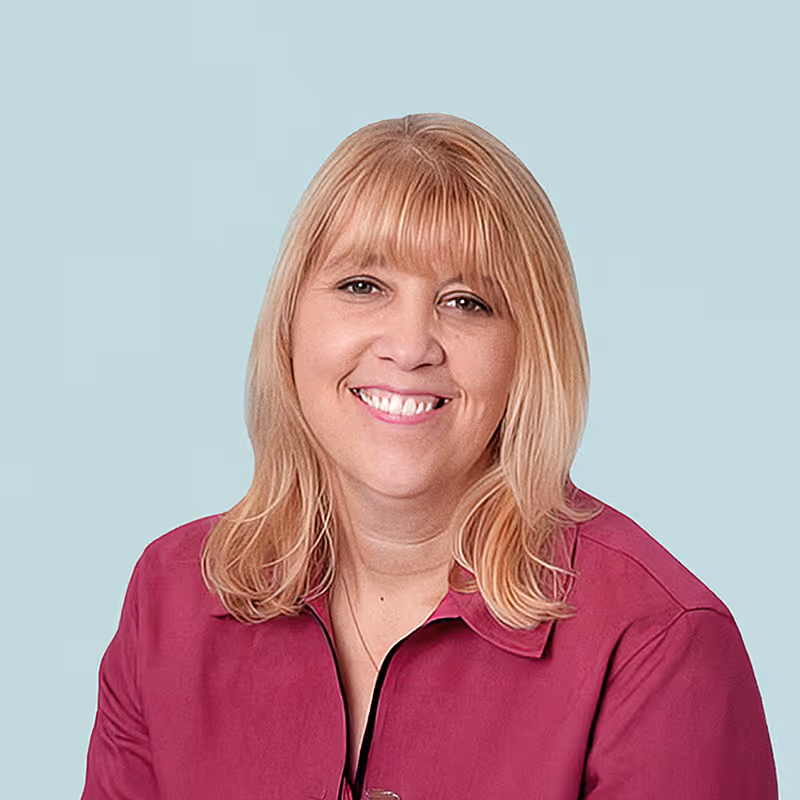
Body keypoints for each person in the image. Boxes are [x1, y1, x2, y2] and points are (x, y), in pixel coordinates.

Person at [82, 114, 777, 799]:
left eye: (466, 302)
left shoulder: (659, 646)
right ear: (289, 322)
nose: (411, 346)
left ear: (529, 351)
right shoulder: (170, 602)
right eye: (363, 286)